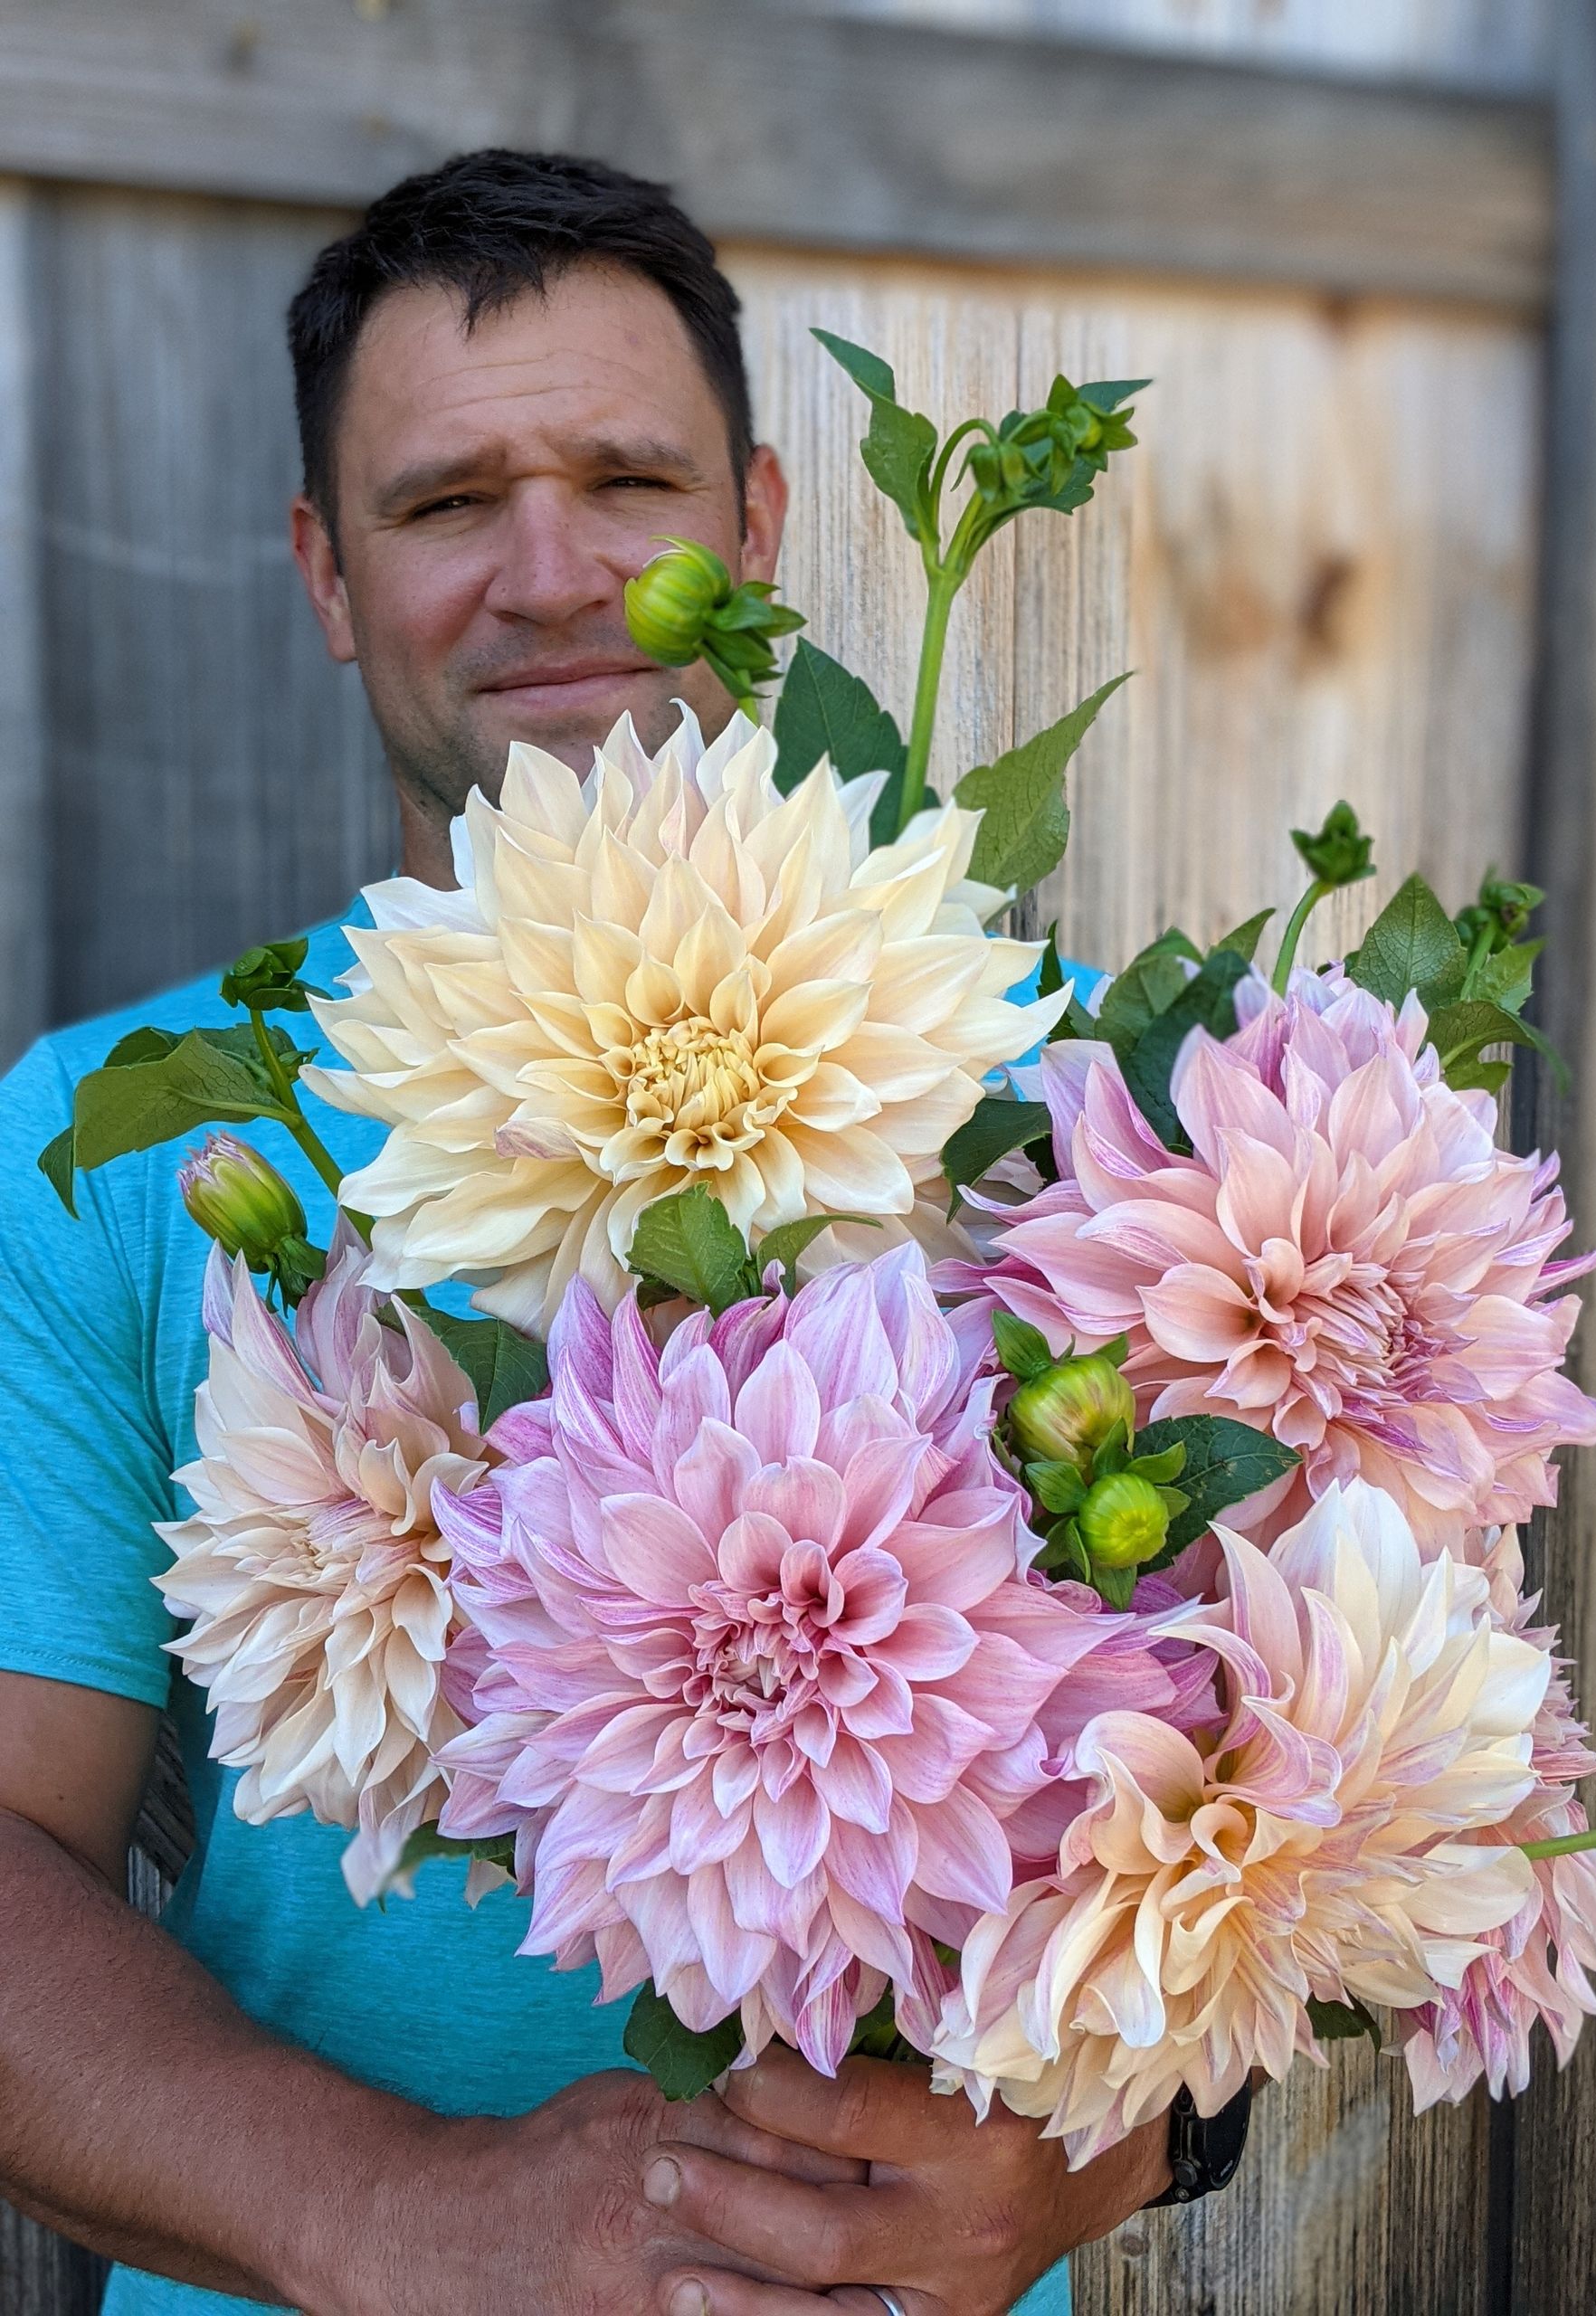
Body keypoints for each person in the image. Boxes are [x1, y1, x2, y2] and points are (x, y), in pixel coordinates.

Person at [0, 151, 1175, 2315]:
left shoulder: (1073, 1093)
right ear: (324, 570)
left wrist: (1116, 2150)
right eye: (445, 502)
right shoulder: (113, 1146)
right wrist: (390, 2210)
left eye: (627, 480)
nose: (550, 573)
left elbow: (1288, 1785)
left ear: (754, 524)